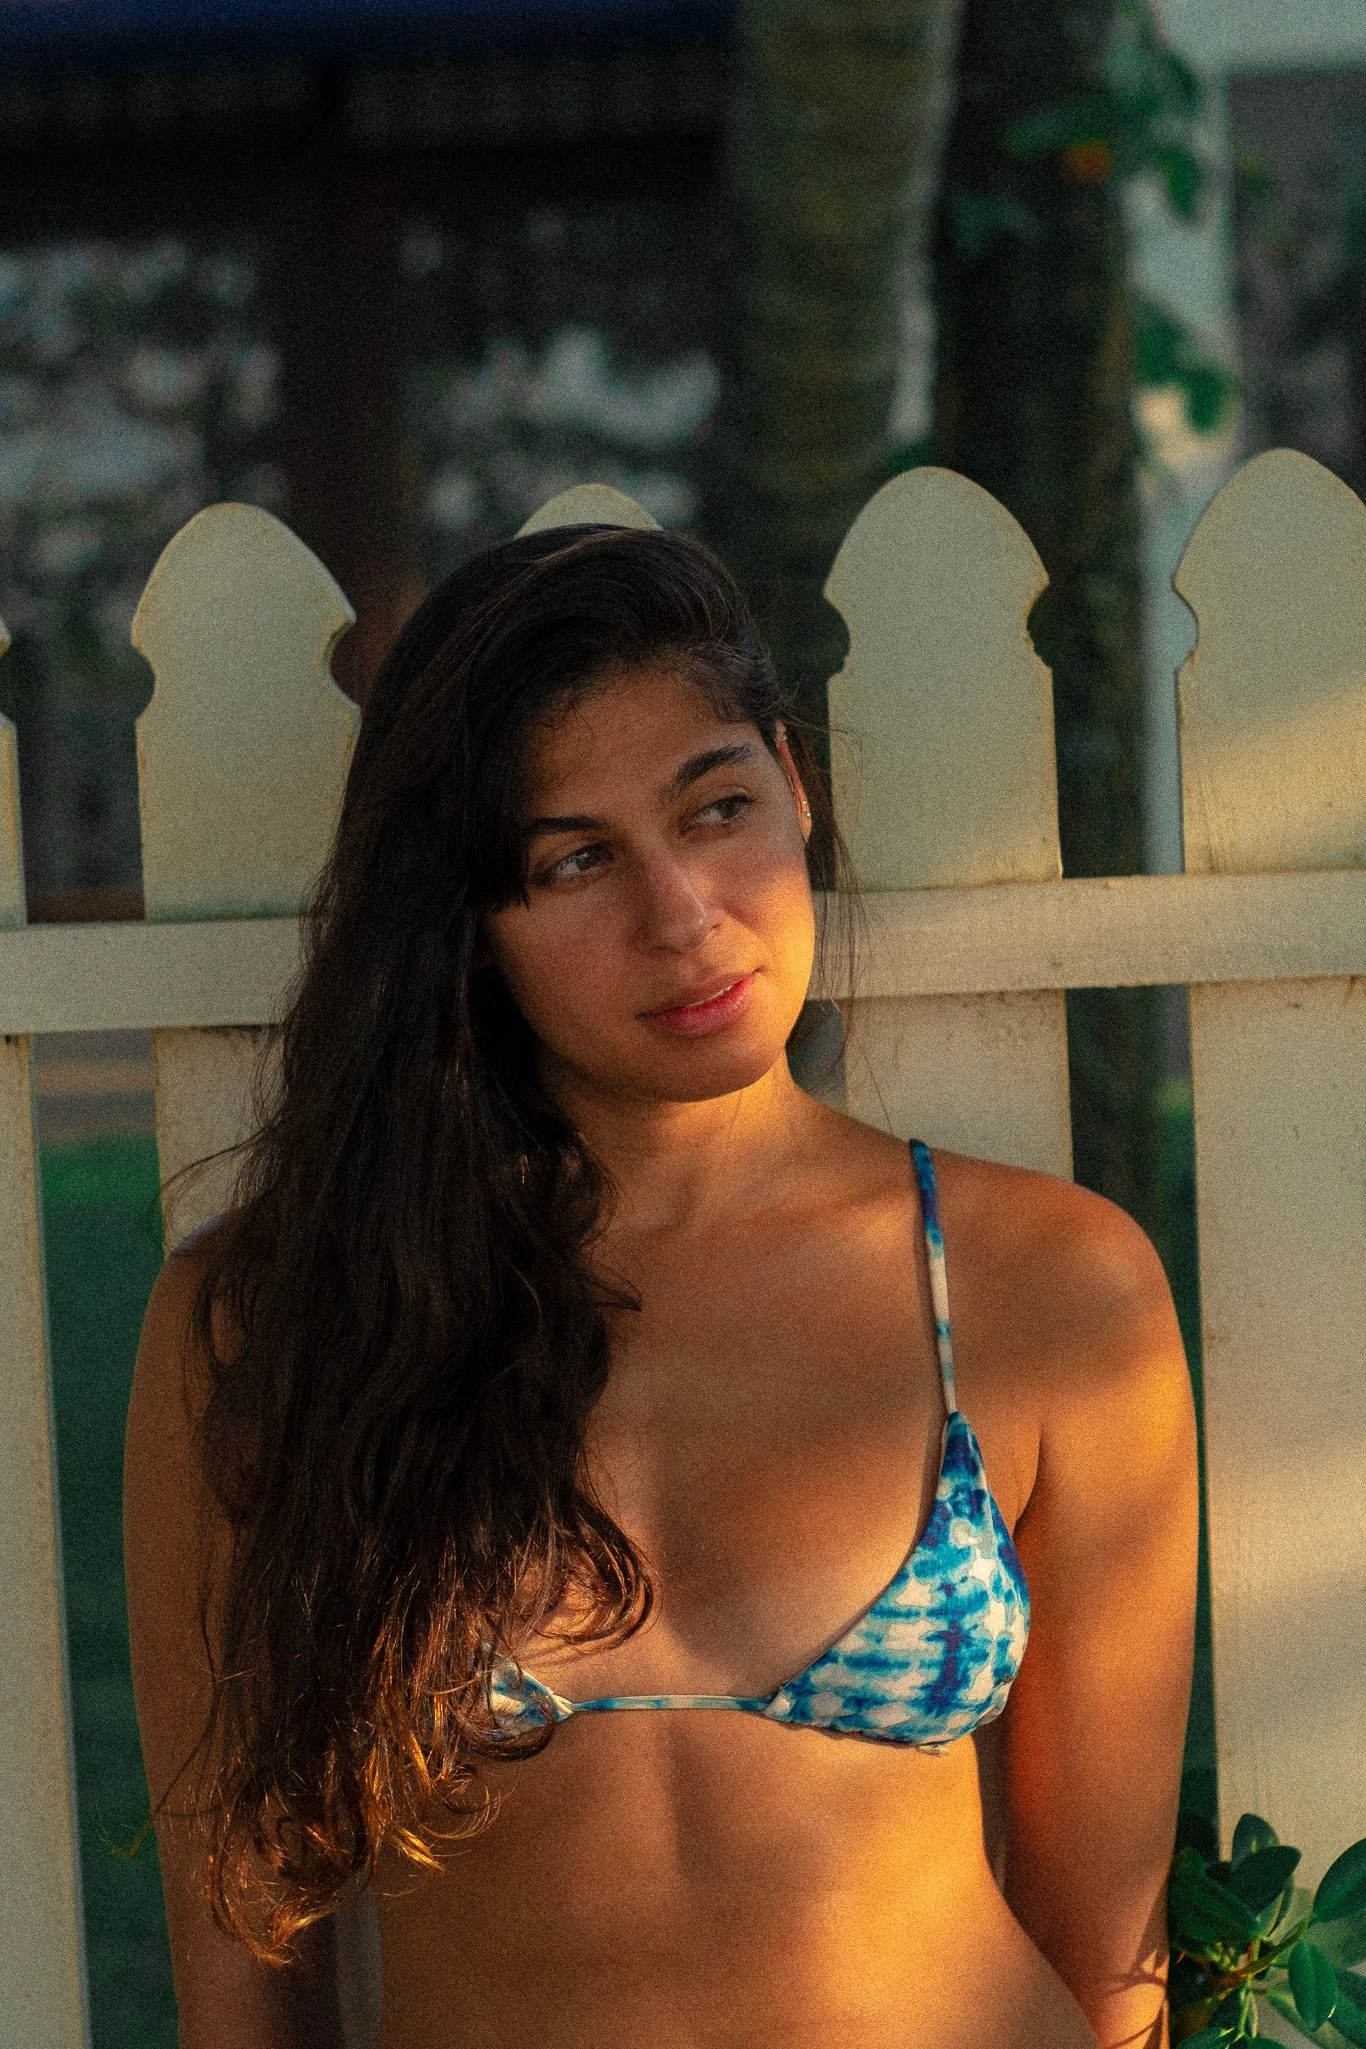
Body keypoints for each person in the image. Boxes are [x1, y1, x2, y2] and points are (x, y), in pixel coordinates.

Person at [124, 523, 1198, 2049]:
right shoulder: (276, 1325)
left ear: (791, 781)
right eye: (575, 859)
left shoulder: (1047, 1289)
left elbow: (1109, 1972)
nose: (683, 915)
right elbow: (237, 1966)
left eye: (717, 810)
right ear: (464, 923)